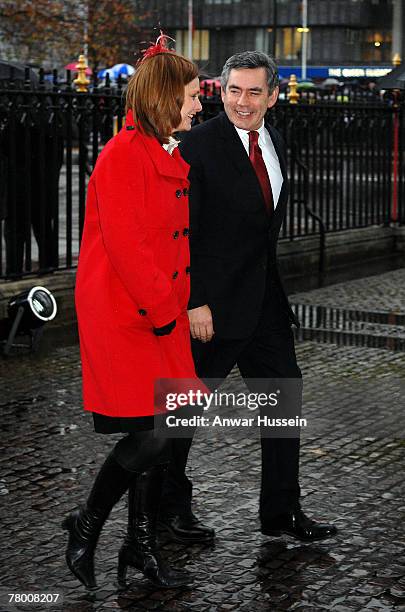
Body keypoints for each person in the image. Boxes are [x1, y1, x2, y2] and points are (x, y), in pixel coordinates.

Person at [160, 51, 337, 543]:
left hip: (265, 306)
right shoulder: (195, 145)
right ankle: (169, 511)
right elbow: (180, 232)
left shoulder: (276, 141)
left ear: (273, 96)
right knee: (181, 412)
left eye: (254, 91)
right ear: (222, 91)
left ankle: (281, 513)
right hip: (210, 310)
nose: (242, 102)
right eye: (233, 90)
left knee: (283, 404)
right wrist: (193, 300)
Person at [62, 39, 204, 590]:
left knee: (164, 432)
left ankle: (139, 547)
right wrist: (167, 313)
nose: (199, 105)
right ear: (166, 98)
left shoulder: (163, 149)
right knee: (149, 435)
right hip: (129, 313)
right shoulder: (122, 154)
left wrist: (174, 309)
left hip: (157, 310)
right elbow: (126, 248)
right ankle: (87, 521)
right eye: (193, 96)